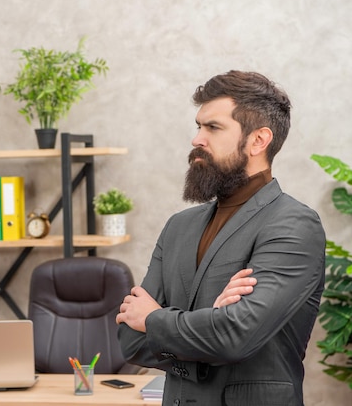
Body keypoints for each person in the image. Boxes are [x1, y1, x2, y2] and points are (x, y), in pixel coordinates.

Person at [116, 70, 326, 406]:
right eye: (198, 126)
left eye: (213, 128)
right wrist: (208, 325)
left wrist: (155, 320)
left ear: (258, 140)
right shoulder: (178, 227)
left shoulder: (294, 225)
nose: (197, 139)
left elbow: (234, 337)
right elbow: (130, 339)